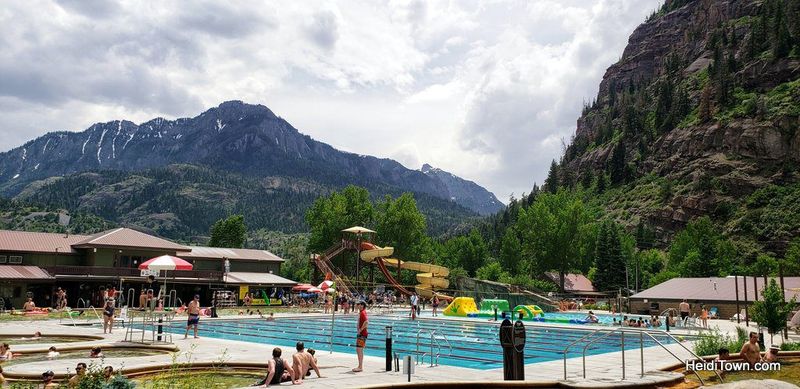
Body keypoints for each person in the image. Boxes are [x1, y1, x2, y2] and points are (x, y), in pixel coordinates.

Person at [353, 301, 368, 372]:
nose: (357, 305)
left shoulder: (362, 313)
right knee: (359, 349)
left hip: (362, 334)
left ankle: (360, 367)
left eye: (358, 304)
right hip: (361, 334)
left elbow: (366, 322)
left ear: (362, 305)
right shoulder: (362, 312)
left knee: (359, 349)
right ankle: (360, 366)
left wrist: (360, 330)